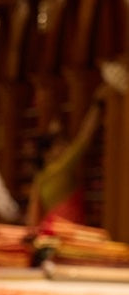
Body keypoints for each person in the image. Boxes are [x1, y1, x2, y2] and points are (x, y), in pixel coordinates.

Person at [27, 87, 109, 228]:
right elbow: (84, 137)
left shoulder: (41, 175)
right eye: (59, 145)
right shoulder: (61, 167)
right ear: (48, 152)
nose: (65, 147)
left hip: (51, 228)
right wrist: (97, 103)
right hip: (67, 231)